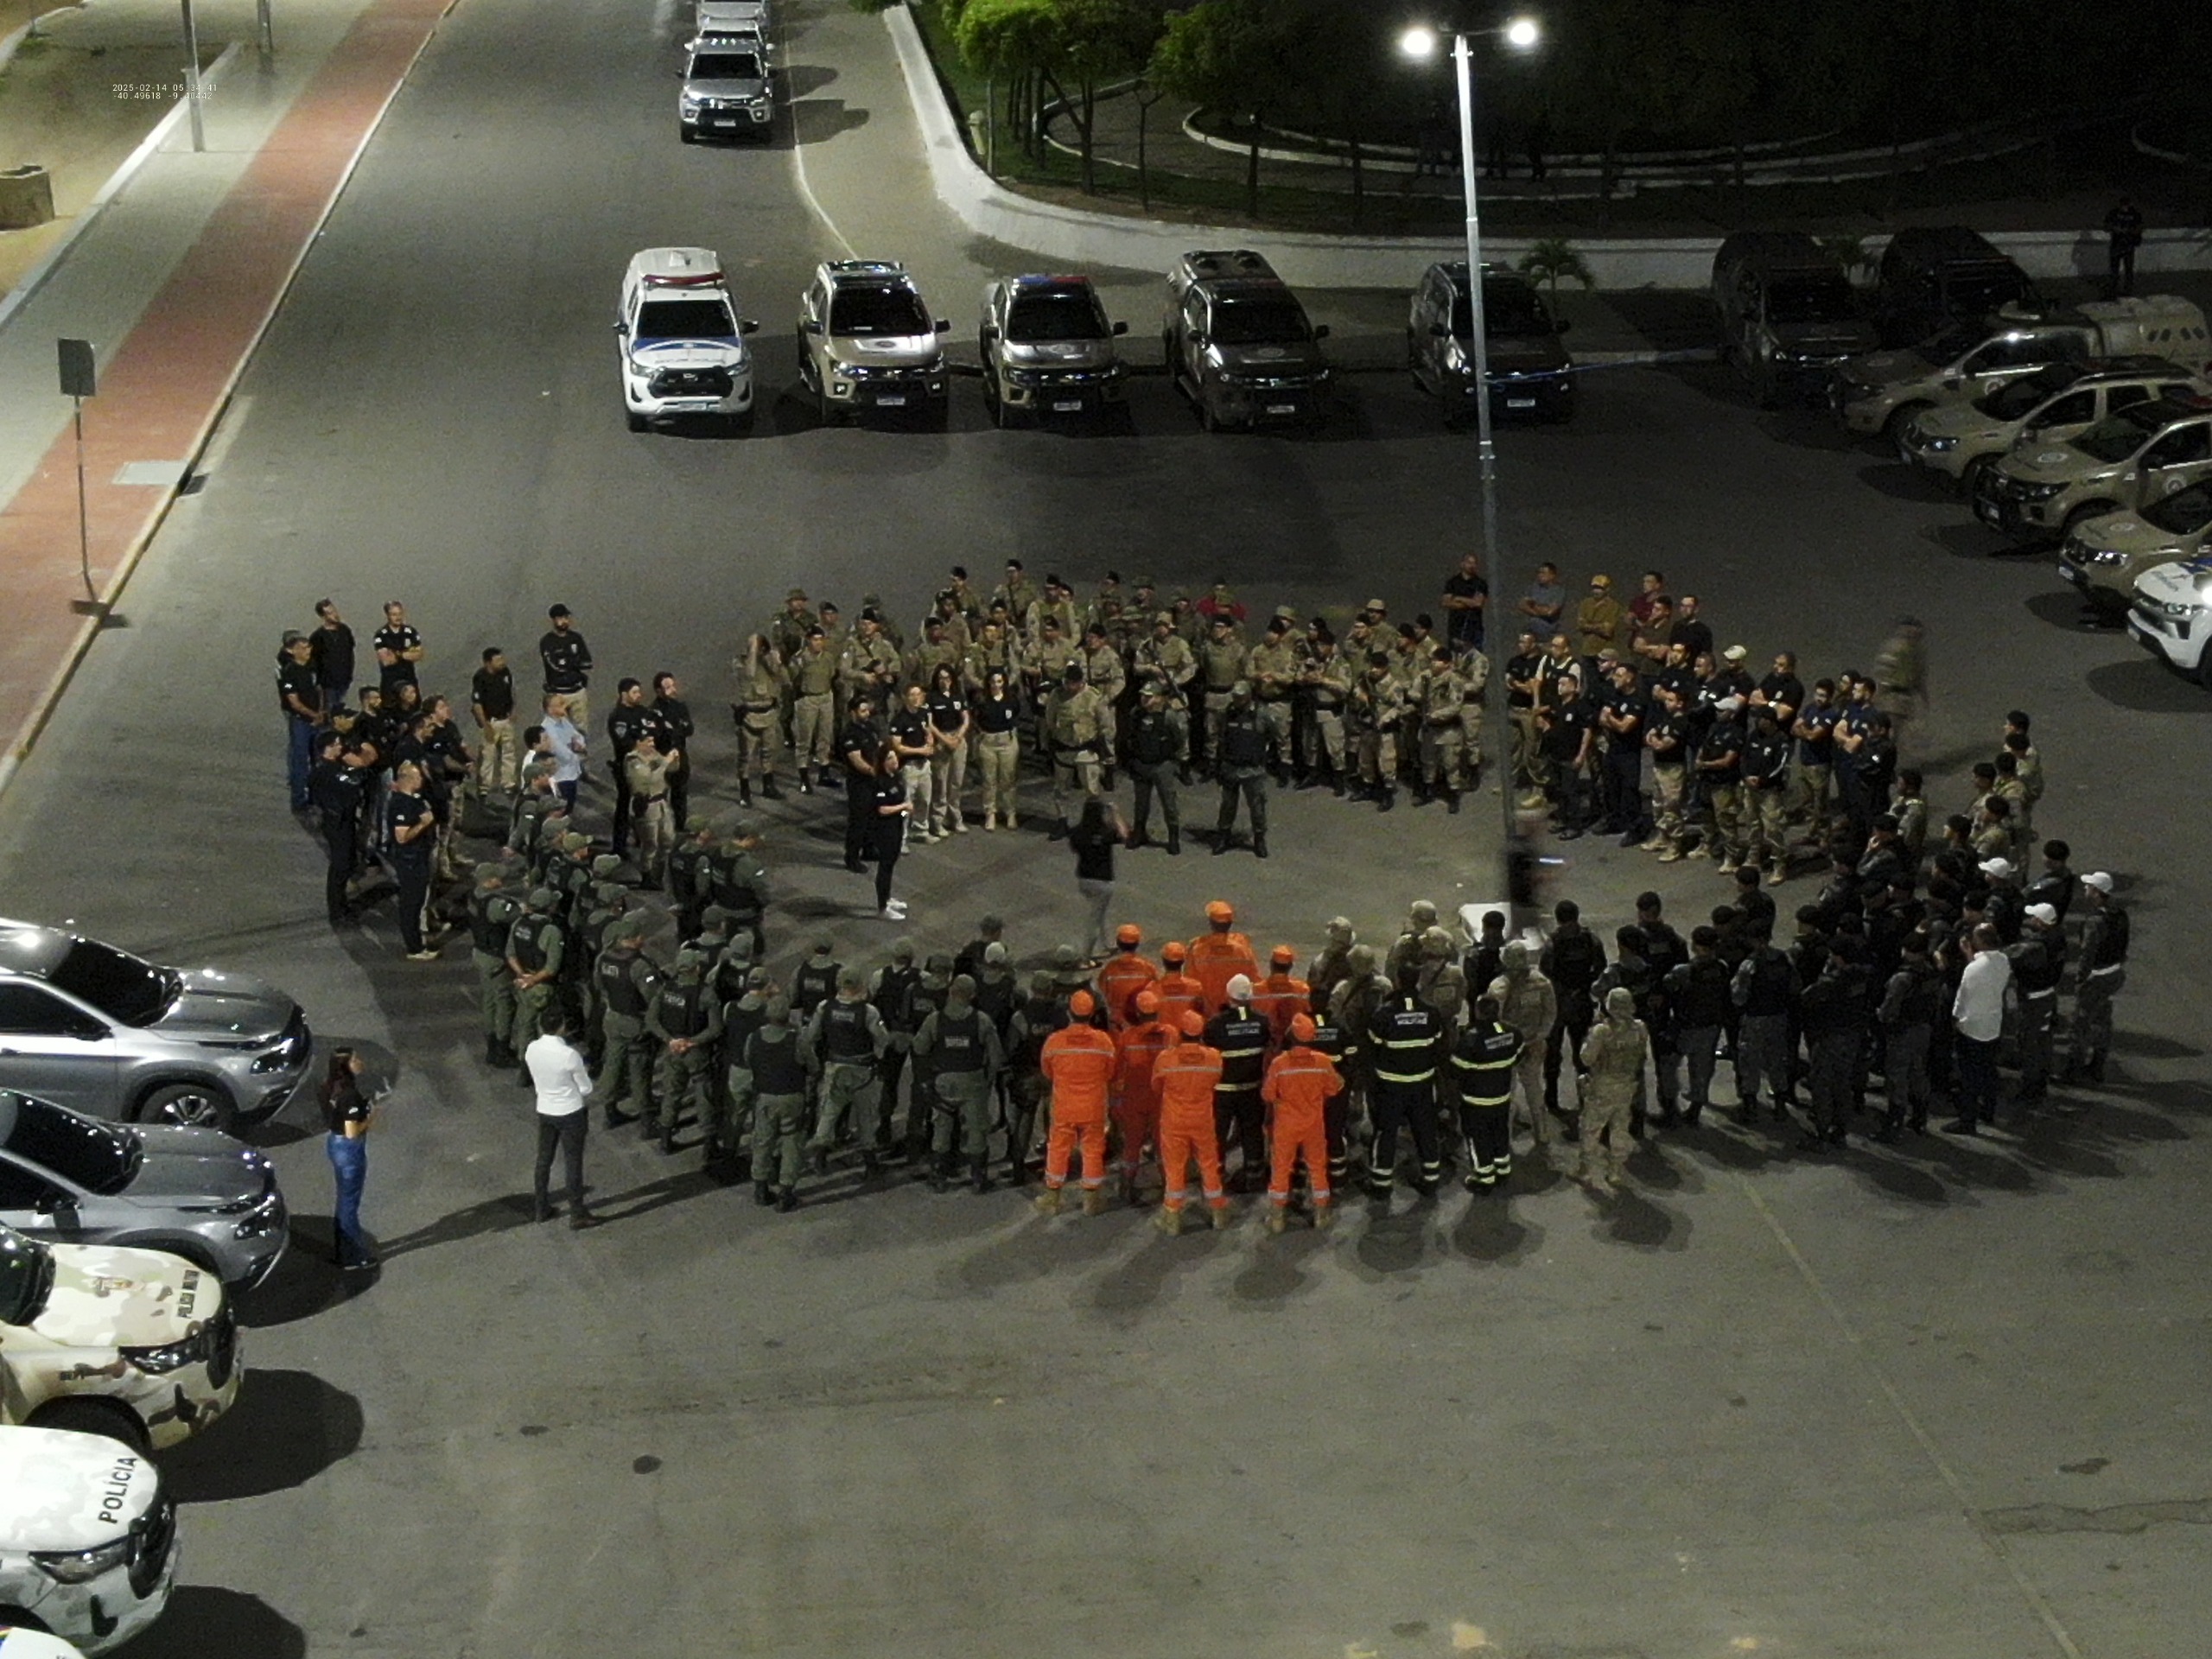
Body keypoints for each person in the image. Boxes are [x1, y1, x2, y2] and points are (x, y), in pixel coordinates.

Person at [912, 973, 1004, 1193]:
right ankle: (978, 1178)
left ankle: (939, 1175)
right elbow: (996, 1057)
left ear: (951, 992)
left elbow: (919, 1048)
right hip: (973, 1081)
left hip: (944, 1080)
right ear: (972, 996)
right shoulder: (981, 1020)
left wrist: (928, 1077)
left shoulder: (935, 1019)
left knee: (942, 1127)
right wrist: (987, 1080)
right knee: (976, 1129)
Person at [1036, 991, 1117, 1215]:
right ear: (1091, 1014)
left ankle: (1052, 1199)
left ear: (1069, 1013)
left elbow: (1047, 1070)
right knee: (1093, 1149)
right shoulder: (1103, 1041)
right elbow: (1110, 1073)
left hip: (1065, 1105)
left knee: (1058, 1148)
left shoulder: (1055, 1041)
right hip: (1093, 1105)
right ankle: (1091, 1201)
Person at [1261, 1014, 1340, 1231]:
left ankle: (1277, 1217)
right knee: (1317, 1167)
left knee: (1281, 1168)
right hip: (1313, 1123)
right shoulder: (1323, 1061)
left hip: (1286, 1125)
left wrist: (1281, 1103)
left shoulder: (1280, 1064)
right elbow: (1334, 1089)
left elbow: (1268, 1095)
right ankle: (1321, 1214)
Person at [1154, 1010, 1230, 1234]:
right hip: (1203, 1119)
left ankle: (1173, 1216)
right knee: (1209, 1163)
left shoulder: (1165, 1059)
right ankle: (1218, 1211)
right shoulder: (1214, 1058)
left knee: (1175, 1167)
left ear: (1179, 1032)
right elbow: (1215, 1081)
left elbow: (1157, 1086)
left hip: (1174, 1120)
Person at [1576, 987, 1656, 1188]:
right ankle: (1615, 1171)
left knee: (1591, 1127)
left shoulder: (1602, 1031)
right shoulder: (1640, 1028)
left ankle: (1586, 1169)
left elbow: (1586, 1058)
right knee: (1620, 1128)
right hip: (1627, 1085)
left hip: (1603, 1085)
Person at [525, 1012, 598, 1228]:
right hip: (570, 1112)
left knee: (544, 1159)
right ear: (562, 1027)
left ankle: (541, 1207)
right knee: (573, 1161)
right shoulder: (569, 1055)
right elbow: (586, 1088)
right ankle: (577, 1213)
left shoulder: (532, 1048)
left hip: (545, 1109)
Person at [1450, 997, 1522, 1191]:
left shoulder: (1471, 1038)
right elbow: (1519, 1054)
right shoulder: (1511, 1032)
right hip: (1502, 1095)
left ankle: (1484, 1178)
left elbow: (1456, 1069)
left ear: (1478, 1012)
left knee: (1477, 1136)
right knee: (1500, 1132)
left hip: (1476, 1099)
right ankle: (1502, 1168)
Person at [746, 996, 810, 1212]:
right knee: (792, 1142)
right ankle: (786, 1192)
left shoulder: (754, 1037)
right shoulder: (797, 1039)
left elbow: (748, 1060)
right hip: (792, 1097)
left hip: (765, 1097)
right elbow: (812, 1065)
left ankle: (761, 1189)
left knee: (763, 1141)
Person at [1946, 924, 2010, 1135]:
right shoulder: (2003, 960)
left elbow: (1963, 997)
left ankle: (1967, 1120)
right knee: (1988, 1070)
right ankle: (1988, 1109)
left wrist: (1955, 1019)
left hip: (1972, 1027)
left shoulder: (1973, 969)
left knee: (1969, 1076)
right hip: (1992, 1025)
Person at [1112, 989, 1173, 1205]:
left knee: (1132, 1145)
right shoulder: (1170, 1035)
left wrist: (1116, 1101)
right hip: (1162, 1099)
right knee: (1163, 1145)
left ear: (1137, 1013)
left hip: (1134, 1098)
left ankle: (1127, 1187)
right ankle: (1169, 1188)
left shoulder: (1127, 1038)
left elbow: (1117, 1071)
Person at [2065, 872, 2127, 1084]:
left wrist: (2080, 980)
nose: (2085, 890)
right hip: (2114, 973)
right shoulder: (2119, 914)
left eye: (2088, 887)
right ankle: (2097, 1066)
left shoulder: (2095, 921)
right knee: (2102, 1020)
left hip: (2097, 976)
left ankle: (2073, 1071)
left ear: (2097, 892)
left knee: (2080, 1023)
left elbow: (2087, 954)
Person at [321, 1048, 376, 1269]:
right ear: (345, 1066)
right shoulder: (349, 1095)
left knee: (344, 1200)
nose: (359, 1061)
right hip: (349, 1149)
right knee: (349, 1204)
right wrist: (371, 1119)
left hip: (335, 1143)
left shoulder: (329, 1087)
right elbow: (352, 1131)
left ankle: (343, 1251)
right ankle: (354, 1256)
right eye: (354, 1059)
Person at [384, 760, 441, 960]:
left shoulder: (414, 799)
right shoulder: (400, 804)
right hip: (409, 860)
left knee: (418, 901)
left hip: (419, 856)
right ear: (407, 779)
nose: (421, 780)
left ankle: (418, 940)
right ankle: (414, 947)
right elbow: (402, 837)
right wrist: (422, 825)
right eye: (418, 777)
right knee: (411, 904)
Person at [1068, 796, 1127, 960]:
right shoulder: (1106, 832)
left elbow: (1074, 849)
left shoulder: (1076, 831)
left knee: (1100, 912)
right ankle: (1086, 955)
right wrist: (1115, 814)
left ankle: (1107, 944)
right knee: (1095, 918)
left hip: (1084, 880)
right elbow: (1124, 834)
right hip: (1103, 882)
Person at [277, 632, 324, 811]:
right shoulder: (290, 672)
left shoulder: (312, 666)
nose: (308, 651)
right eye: (303, 648)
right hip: (301, 722)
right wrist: (313, 716)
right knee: (300, 762)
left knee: (318, 760)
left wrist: (321, 712)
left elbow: (319, 689)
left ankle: (315, 797)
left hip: (316, 720)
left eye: (309, 647)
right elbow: (294, 702)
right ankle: (298, 800)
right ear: (293, 651)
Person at [864, 741, 911, 919]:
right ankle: (882, 907)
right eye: (890, 757)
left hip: (896, 826)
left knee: (891, 863)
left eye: (895, 756)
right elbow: (882, 809)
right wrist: (903, 807)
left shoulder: (896, 777)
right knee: (885, 866)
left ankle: (888, 897)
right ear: (883, 761)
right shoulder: (880, 782)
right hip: (884, 829)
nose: (895, 760)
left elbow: (899, 801)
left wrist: (904, 810)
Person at [539, 603, 594, 733]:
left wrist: (568, 662)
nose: (564, 621)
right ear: (553, 620)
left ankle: (580, 753)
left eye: (566, 617)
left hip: (577, 690)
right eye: (560, 618)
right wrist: (573, 663)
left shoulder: (576, 638)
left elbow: (587, 662)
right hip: (557, 693)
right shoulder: (547, 642)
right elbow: (555, 666)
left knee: (581, 730)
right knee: (558, 731)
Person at [540, 694, 587, 810]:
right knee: (561, 807)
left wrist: (580, 744)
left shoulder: (563, 721)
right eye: (560, 704)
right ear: (550, 709)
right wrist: (575, 753)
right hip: (560, 776)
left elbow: (577, 735)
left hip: (571, 772)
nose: (565, 706)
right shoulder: (547, 728)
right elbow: (559, 751)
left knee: (570, 803)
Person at [1442, 552, 1488, 658]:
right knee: (1454, 658)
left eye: (1474, 563)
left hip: (1474, 628)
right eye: (1469, 562)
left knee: (1474, 659)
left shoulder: (1480, 583)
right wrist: (1469, 602)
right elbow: (1446, 602)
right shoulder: (1452, 582)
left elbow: (1478, 603)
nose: (1472, 565)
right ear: (1462, 564)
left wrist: (1457, 598)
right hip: (1455, 627)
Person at [2103, 196, 2144, 298]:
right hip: (2116, 244)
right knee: (2114, 270)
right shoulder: (2114, 213)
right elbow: (2106, 225)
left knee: (2129, 269)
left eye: (2126, 205)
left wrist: (2129, 231)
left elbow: (2140, 228)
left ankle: (2128, 290)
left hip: (2128, 245)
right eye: (2123, 205)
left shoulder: (2135, 214)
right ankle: (2113, 290)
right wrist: (2114, 229)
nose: (2124, 207)